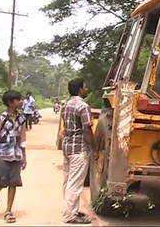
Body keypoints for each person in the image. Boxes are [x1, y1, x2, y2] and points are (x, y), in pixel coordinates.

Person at [60, 78, 97, 224]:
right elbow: (87, 130)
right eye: (85, 87)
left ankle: (70, 210)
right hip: (78, 149)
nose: (87, 89)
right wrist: (94, 149)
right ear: (80, 89)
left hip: (67, 148)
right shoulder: (83, 106)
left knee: (67, 181)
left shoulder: (66, 105)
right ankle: (69, 215)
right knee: (75, 183)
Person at [0, 90, 27, 223]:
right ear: (11, 103)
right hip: (2, 154)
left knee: (14, 182)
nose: (21, 102)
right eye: (18, 100)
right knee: (2, 181)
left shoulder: (21, 119)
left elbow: (23, 138)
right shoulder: (2, 118)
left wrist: (24, 156)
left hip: (16, 154)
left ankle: (8, 210)